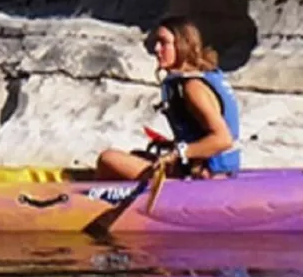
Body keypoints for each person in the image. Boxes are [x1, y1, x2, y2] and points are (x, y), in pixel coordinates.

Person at [97, 15, 242, 181]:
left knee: (108, 159)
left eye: (164, 43)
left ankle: (94, 202)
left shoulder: (192, 87)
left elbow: (223, 139)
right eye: (156, 43)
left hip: (204, 178)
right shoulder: (198, 79)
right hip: (205, 171)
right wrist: (173, 146)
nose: (157, 49)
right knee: (136, 155)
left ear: (182, 45)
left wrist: (179, 152)